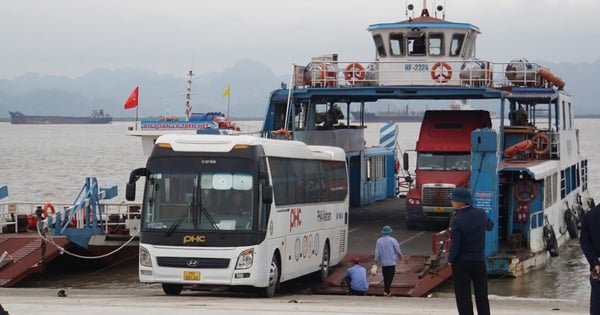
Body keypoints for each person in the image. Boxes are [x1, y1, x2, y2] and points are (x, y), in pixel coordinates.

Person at [448, 187, 494, 315]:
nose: (451, 202)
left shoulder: (457, 220)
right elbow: (490, 226)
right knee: (481, 293)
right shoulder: (481, 214)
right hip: (479, 260)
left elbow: (455, 245)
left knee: (463, 295)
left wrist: (450, 259)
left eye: (453, 200)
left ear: (461, 202)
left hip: (461, 262)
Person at [580, 204, 600, 315]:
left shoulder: (589, 216)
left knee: (597, 303)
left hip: (597, 267)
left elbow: (585, 242)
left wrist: (594, 262)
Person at [374, 225, 402, 297]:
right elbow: (397, 249)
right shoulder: (393, 240)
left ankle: (387, 291)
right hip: (391, 262)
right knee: (390, 277)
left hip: (383, 263)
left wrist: (376, 260)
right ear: (390, 232)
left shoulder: (379, 241)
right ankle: (386, 290)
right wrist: (400, 255)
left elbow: (377, 252)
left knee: (385, 277)